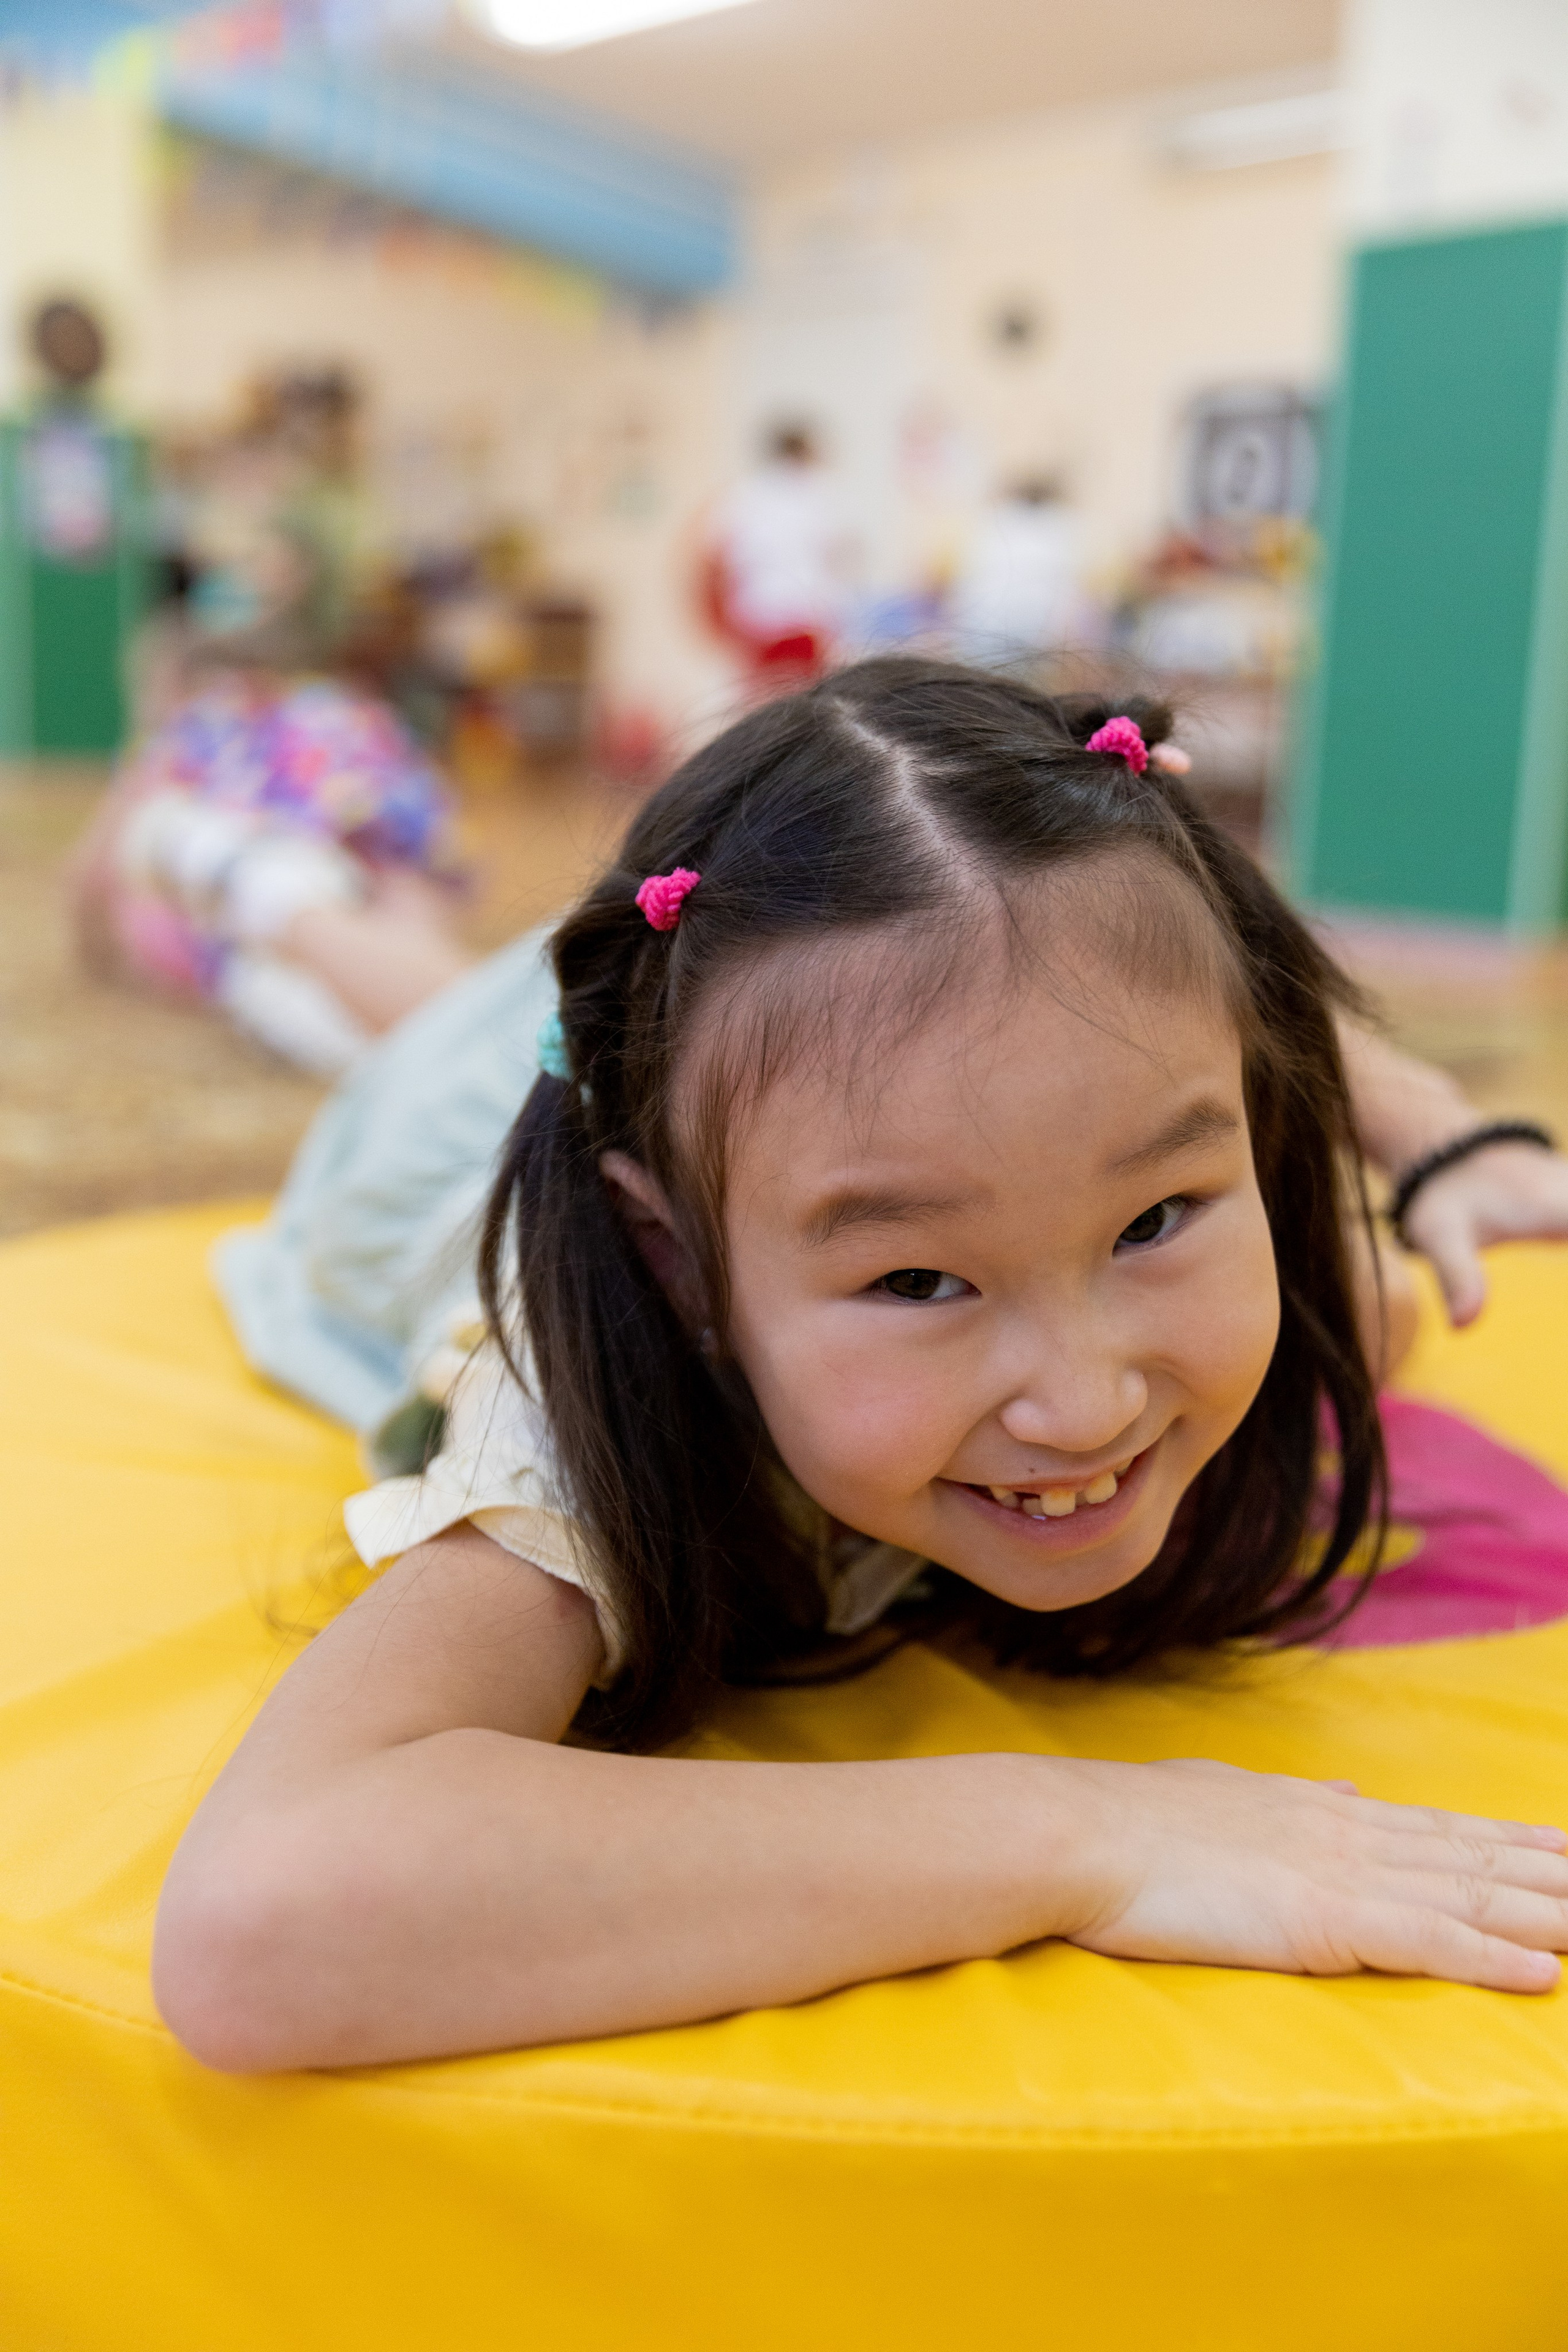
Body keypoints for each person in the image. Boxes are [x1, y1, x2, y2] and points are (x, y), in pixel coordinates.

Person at [154, 661, 1568, 2076]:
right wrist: (1095, 1830)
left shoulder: (1261, 1243)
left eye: (1152, 1217)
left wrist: (1439, 1130)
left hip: (761, 1056)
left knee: (1374, 1312)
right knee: (414, 1000)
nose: (1083, 1401)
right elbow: (259, 1920)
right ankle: (259, 884)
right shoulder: (574, 1417)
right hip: (442, 1135)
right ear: (680, 1264)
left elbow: (1227, 990)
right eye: (914, 1280)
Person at [705, 423, 851, 688]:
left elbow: (716, 554)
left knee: (764, 698)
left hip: (757, 618)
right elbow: (835, 551)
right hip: (803, 616)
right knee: (807, 699)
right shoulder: (816, 492)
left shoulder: (742, 494)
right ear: (805, 452)